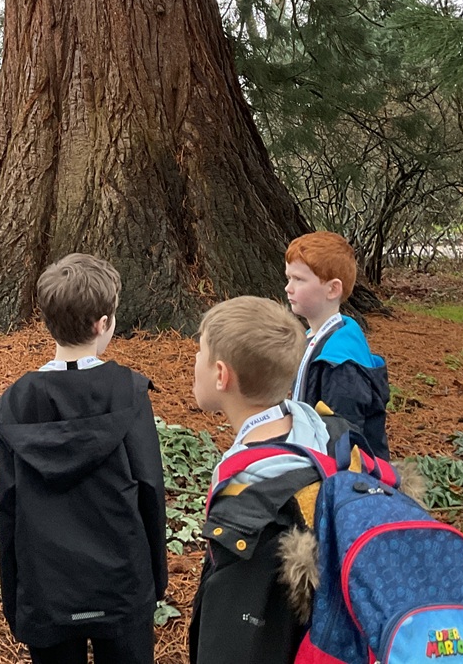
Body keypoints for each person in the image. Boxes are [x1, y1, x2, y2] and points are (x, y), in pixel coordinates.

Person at [0, 253, 167, 664]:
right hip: (121, 581)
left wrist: (16, 598)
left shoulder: (14, 405)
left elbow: (8, 507)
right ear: (103, 324)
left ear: (46, 319)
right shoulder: (128, 394)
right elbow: (150, 488)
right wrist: (153, 582)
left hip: (46, 584)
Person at [189, 296, 335, 664]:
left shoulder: (248, 497)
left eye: (200, 351)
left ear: (221, 375)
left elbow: (238, 627)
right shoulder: (316, 431)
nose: (194, 360)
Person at [284, 232, 390, 459]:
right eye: (288, 278)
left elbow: (344, 439)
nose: (288, 288)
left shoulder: (341, 361)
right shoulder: (311, 339)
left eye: (299, 280)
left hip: (344, 478)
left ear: (332, 289)